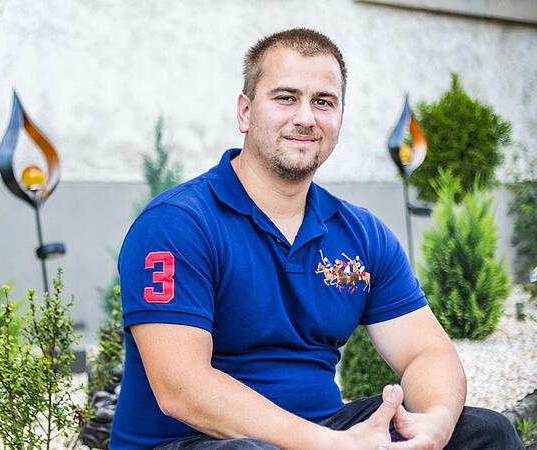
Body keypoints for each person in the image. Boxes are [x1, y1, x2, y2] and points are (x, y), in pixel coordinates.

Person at [112, 29, 522, 449]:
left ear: (340, 117)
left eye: (323, 102)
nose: (306, 118)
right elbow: (180, 387)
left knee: (486, 433)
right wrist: (323, 444)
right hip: (192, 442)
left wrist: (433, 423)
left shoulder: (360, 233)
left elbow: (426, 352)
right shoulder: (177, 224)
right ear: (245, 112)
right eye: (286, 98)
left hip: (322, 429)